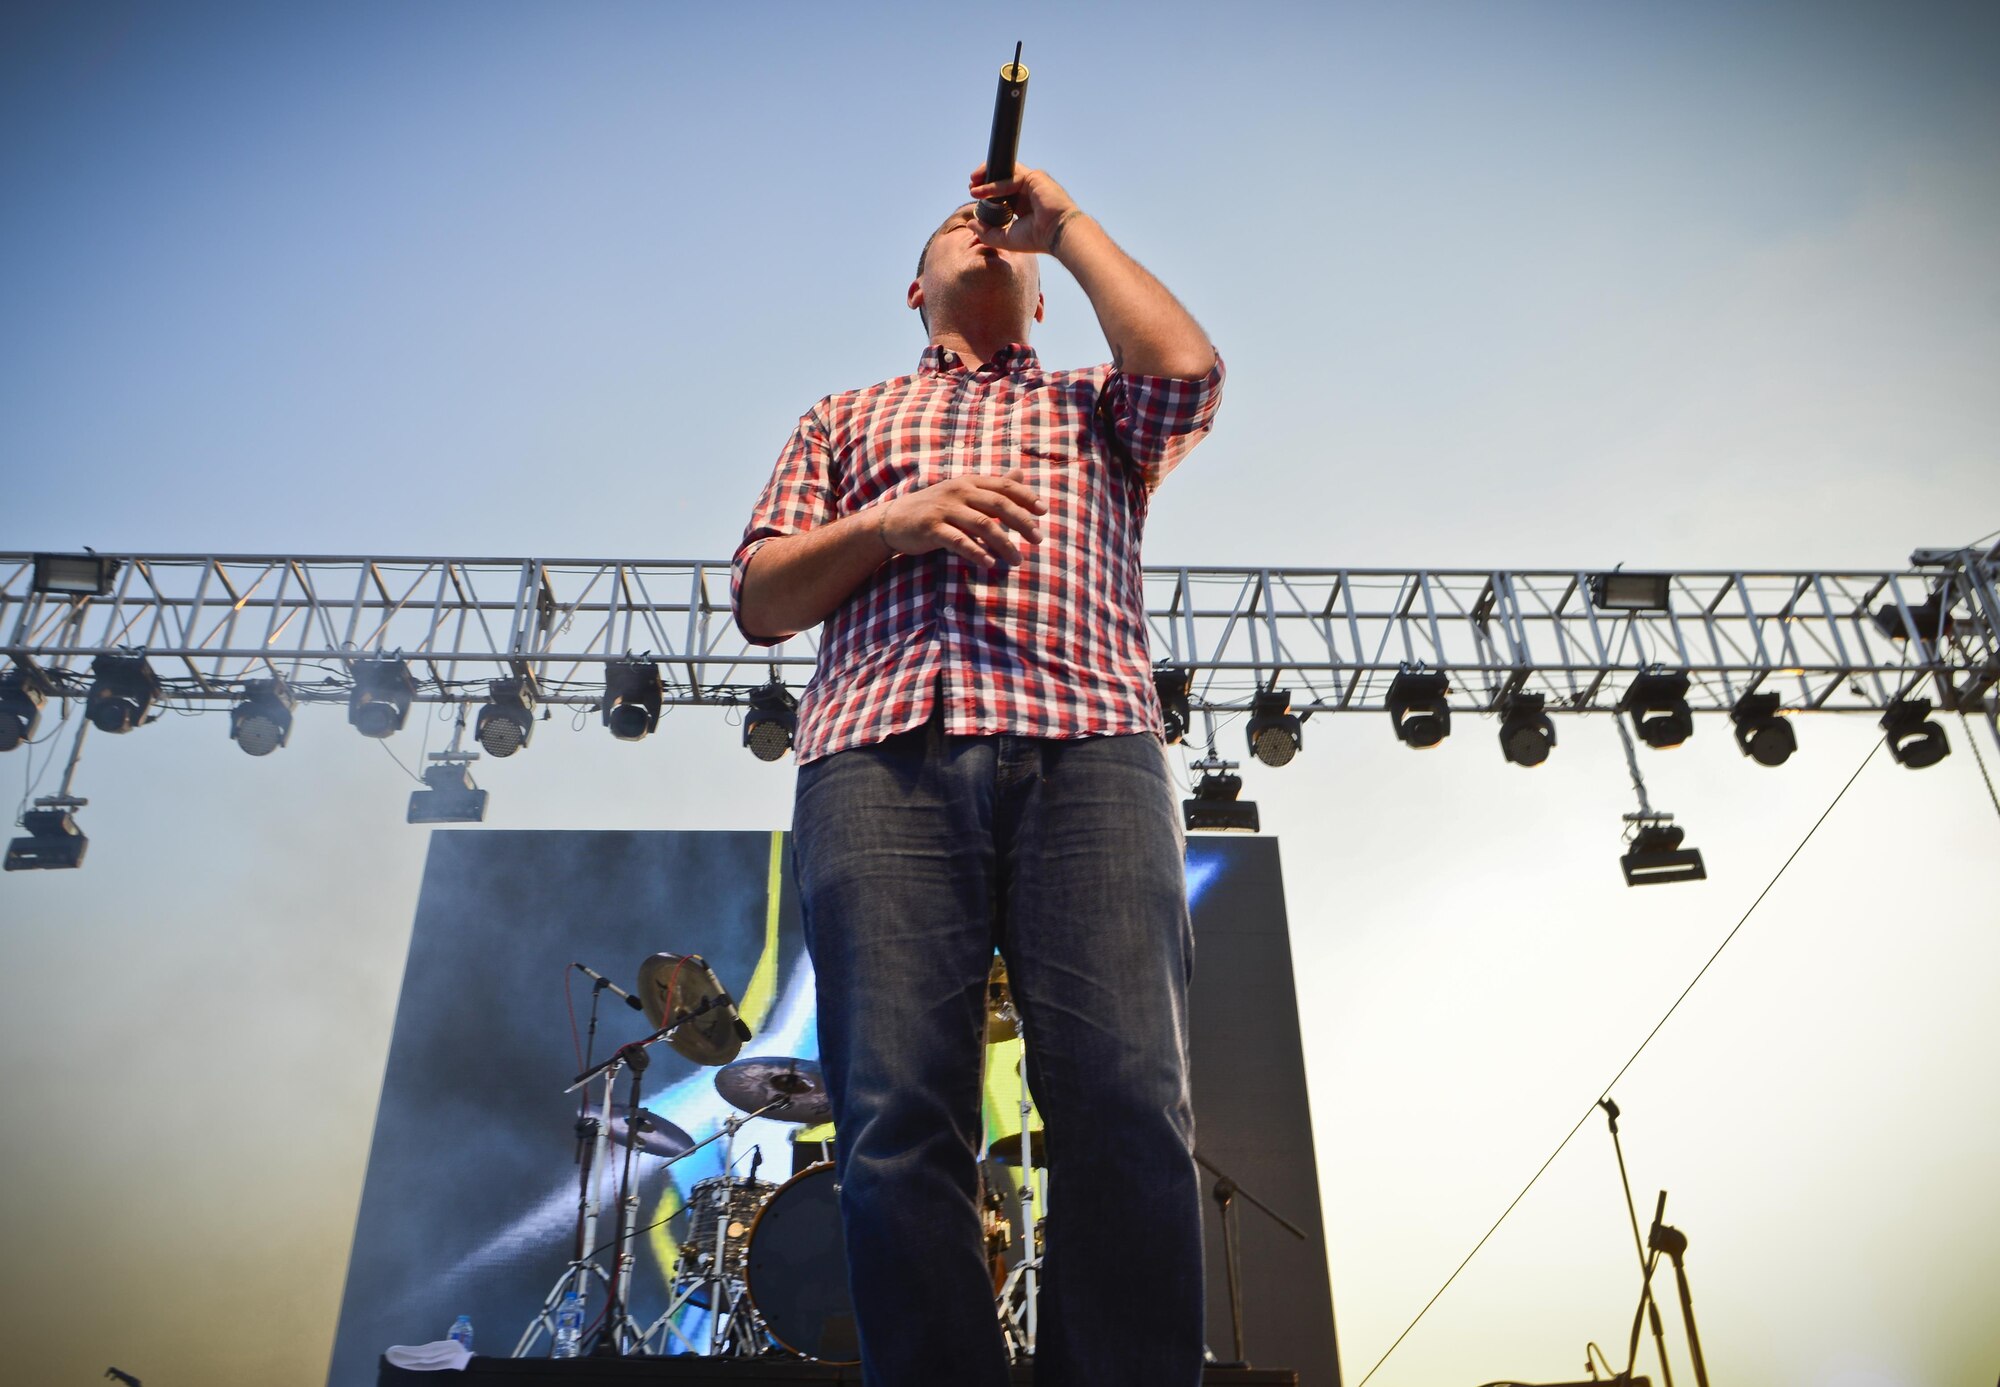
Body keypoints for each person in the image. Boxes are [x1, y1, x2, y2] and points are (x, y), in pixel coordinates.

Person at [730, 161, 1223, 1387]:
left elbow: (1188, 375)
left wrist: (1062, 225)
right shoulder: (840, 418)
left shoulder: (1092, 402)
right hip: (879, 755)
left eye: (1003, 235)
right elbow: (760, 596)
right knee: (896, 1122)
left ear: (1044, 294)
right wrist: (886, 524)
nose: (981, 237)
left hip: (1088, 745)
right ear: (916, 288)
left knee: (1125, 1102)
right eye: (960, 228)